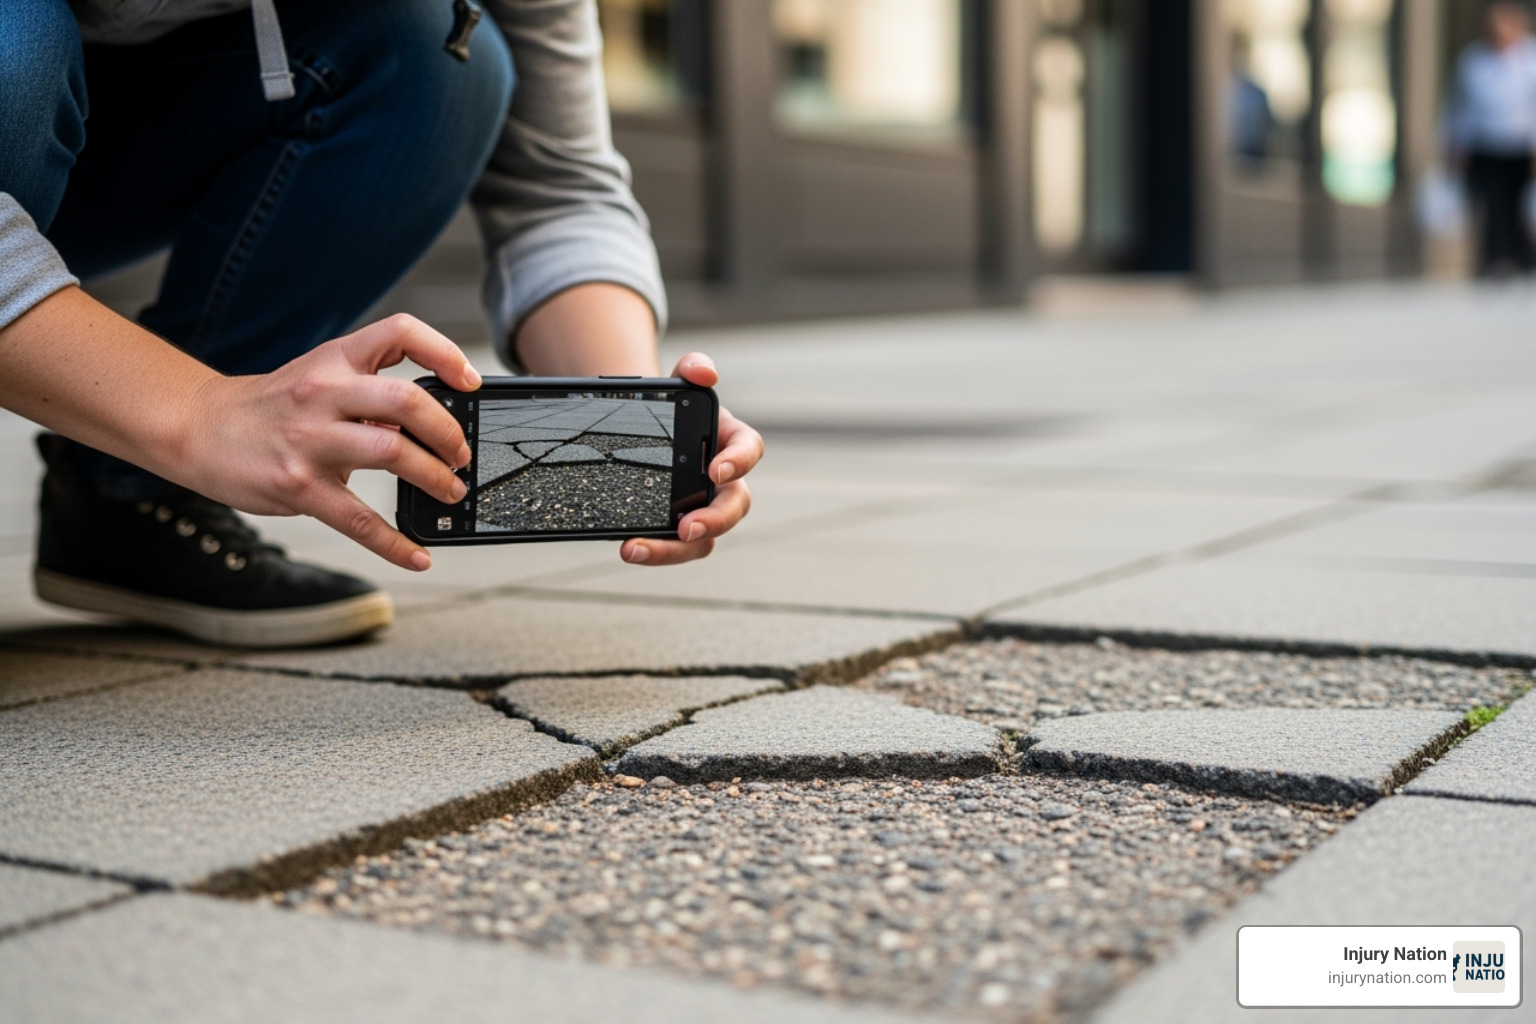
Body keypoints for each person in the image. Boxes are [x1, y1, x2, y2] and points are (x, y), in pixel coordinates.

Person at [0, 0, 762, 648]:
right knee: (16, 56)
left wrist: (626, 422)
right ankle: (157, 443)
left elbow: (557, 184)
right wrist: (194, 414)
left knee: (438, 54)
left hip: (121, 136)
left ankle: (130, 497)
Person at [1444, 0, 1536, 276]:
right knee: (1492, 203)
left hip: (1521, 144)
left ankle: (1523, 255)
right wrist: (1455, 143)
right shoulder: (1473, 60)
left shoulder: (1531, 60)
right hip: (1485, 144)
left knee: (1519, 204)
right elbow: (1458, 106)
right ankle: (1496, 258)